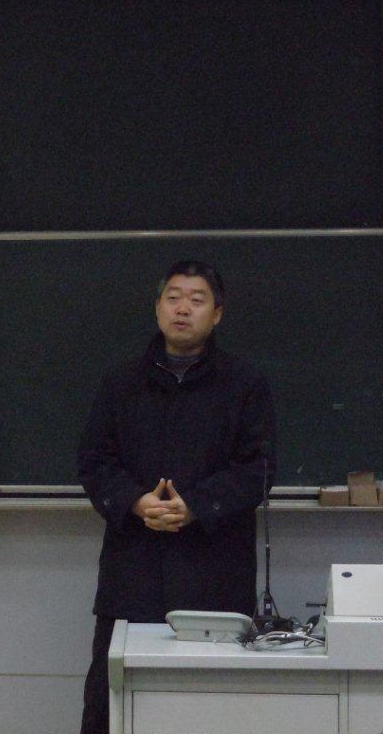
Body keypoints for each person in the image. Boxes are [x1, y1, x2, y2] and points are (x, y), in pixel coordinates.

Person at [76, 260, 276, 734]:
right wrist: (135, 501)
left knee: (209, 711)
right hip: (133, 576)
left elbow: (259, 470)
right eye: (173, 297)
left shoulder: (245, 384)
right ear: (158, 307)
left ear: (217, 314)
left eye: (196, 299)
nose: (182, 308)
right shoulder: (121, 381)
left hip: (215, 579)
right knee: (112, 703)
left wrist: (196, 507)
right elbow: (95, 462)